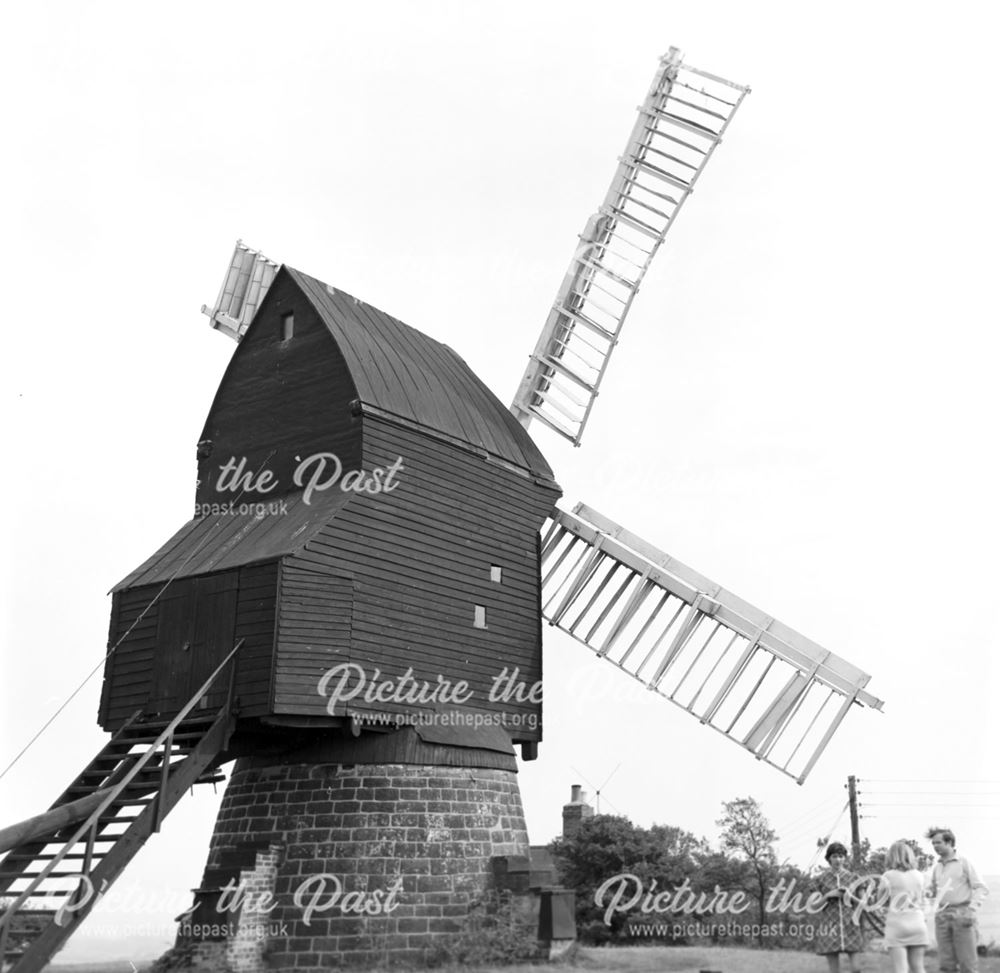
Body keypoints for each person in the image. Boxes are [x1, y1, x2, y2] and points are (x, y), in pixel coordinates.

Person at [926, 826, 989, 973]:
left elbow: (981, 887)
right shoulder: (937, 867)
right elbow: (933, 890)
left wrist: (971, 909)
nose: (935, 846)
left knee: (968, 964)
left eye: (938, 842)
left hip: (962, 914)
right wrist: (927, 892)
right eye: (933, 843)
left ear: (949, 842)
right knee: (946, 965)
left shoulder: (964, 862)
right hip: (941, 915)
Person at [813, 842, 866, 973]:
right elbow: (814, 905)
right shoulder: (820, 879)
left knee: (856, 968)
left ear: (845, 858)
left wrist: (849, 896)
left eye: (841, 856)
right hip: (830, 926)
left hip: (851, 925)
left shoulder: (854, 878)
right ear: (829, 858)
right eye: (835, 856)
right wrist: (828, 895)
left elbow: (864, 904)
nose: (838, 859)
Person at [881, 840, 929, 973]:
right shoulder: (919, 876)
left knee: (901, 968)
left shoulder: (888, 876)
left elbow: (880, 901)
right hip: (918, 922)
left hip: (897, 923)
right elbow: (923, 900)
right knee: (918, 967)